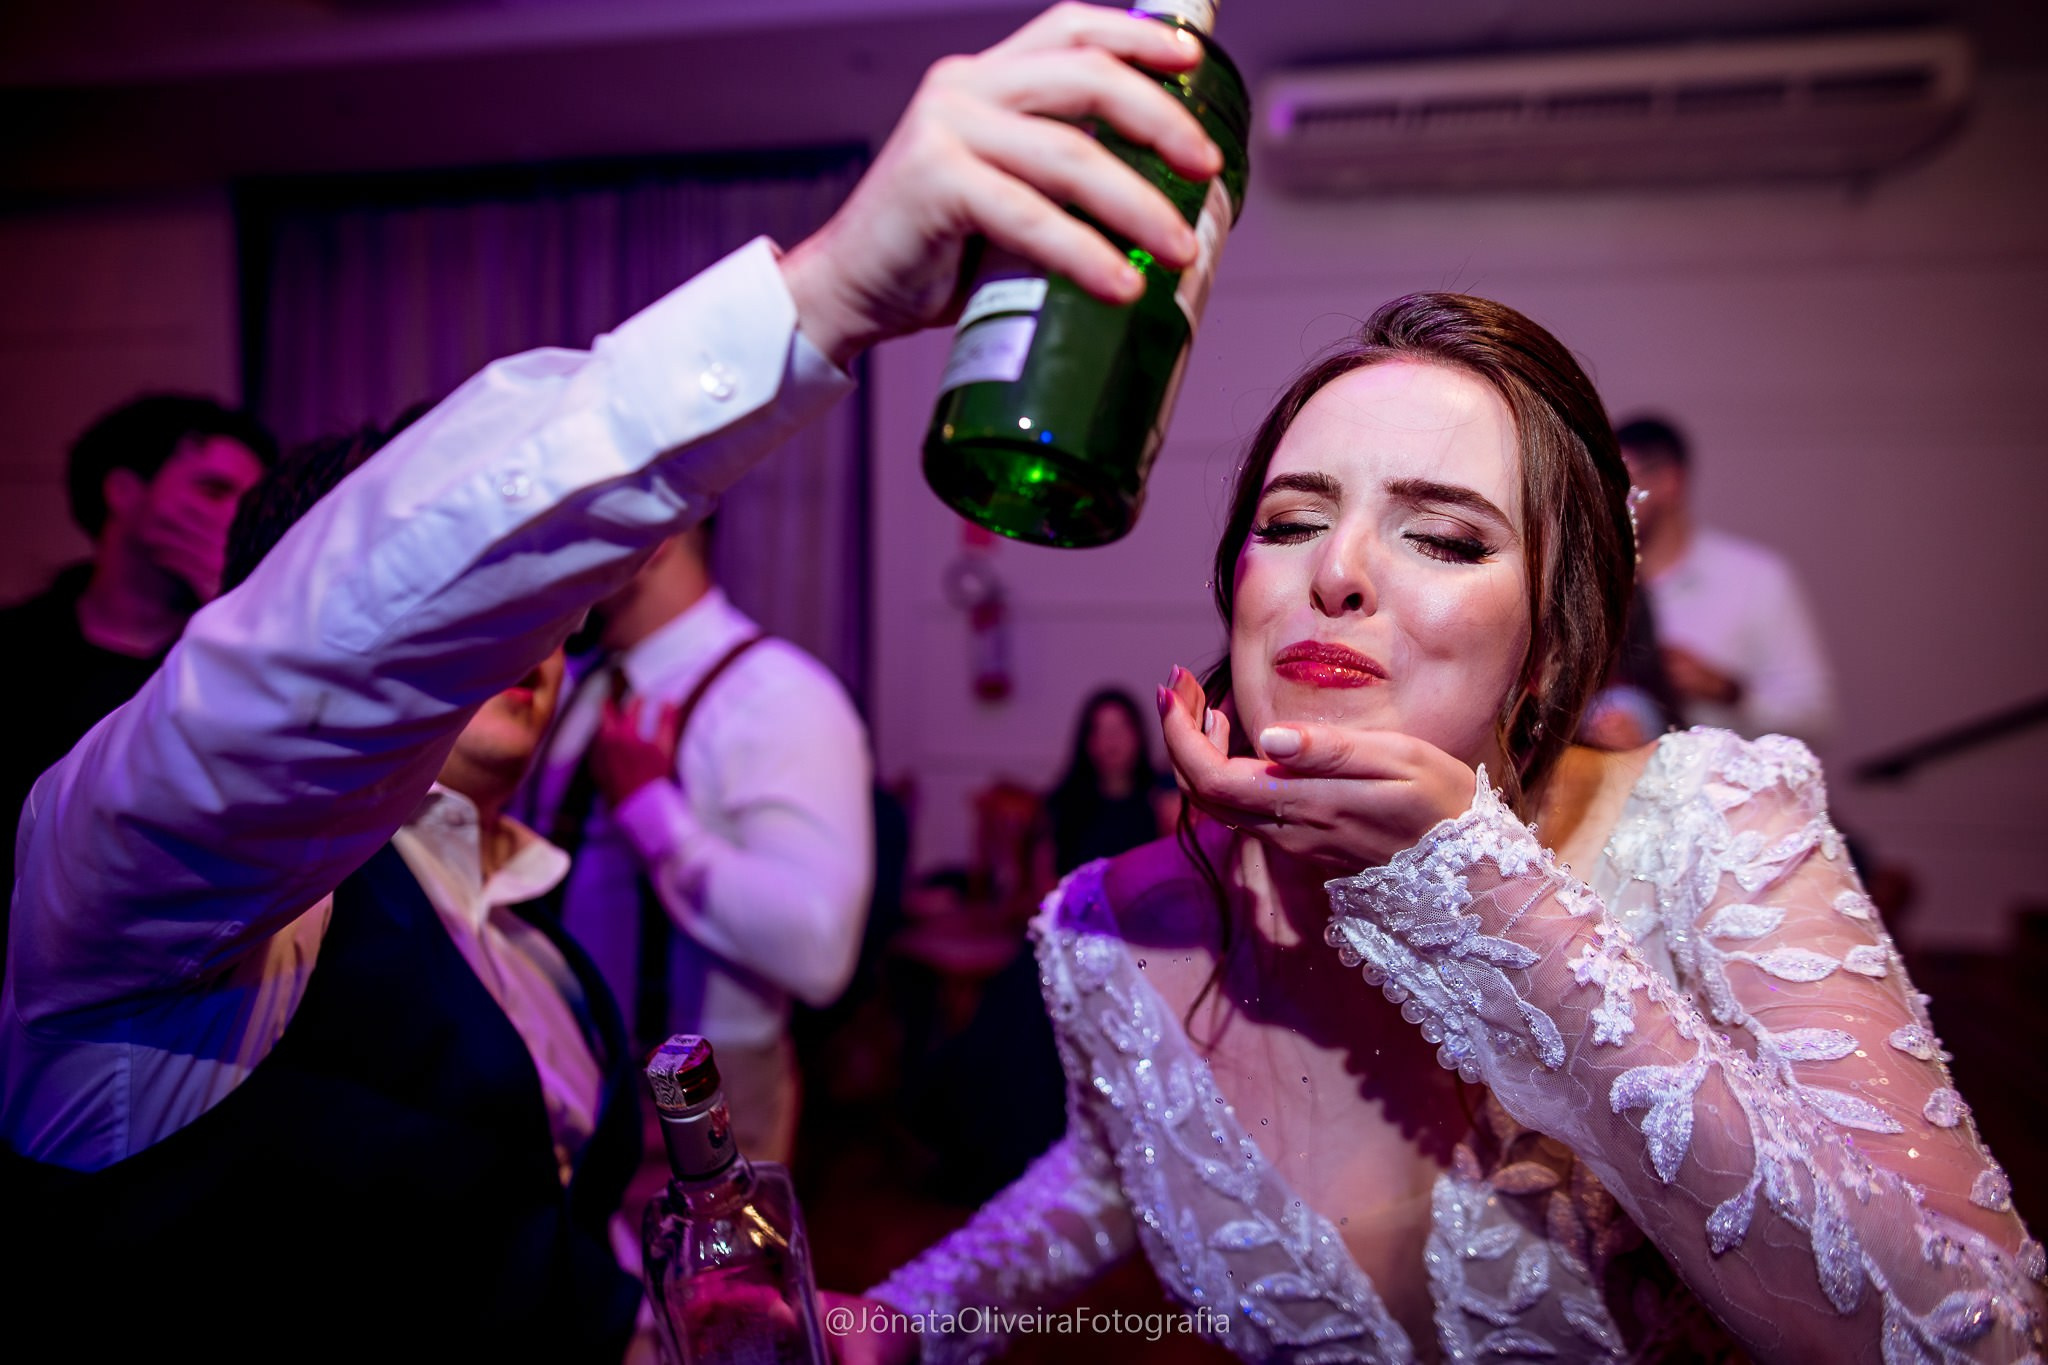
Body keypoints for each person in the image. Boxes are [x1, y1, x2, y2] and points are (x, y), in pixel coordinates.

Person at [0, 6, 1225, 1359]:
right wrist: (821, 298)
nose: (536, 632)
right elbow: (305, 664)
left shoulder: (531, 931)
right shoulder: (181, 927)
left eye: (546, 600)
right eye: (486, 600)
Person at [848, 297, 2043, 1362]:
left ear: (1546, 652)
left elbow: (1977, 1340)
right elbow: (1121, 1171)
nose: (1337, 570)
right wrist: (903, 1320)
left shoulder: (1709, 829)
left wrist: (1478, 890)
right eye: (1290, 520)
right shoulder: (1115, 926)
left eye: (1444, 537)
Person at [531, 518, 873, 1165]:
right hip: (571, 1067)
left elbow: (819, 948)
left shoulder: (776, 695)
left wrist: (651, 814)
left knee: (702, 1236)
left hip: (692, 1076)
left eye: (581, 527)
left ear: (655, 531)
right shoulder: (578, 686)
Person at [0, 393, 275, 970]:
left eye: (249, 501)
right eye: (214, 491)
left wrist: (227, 609)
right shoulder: (19, 647)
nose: (235, 515)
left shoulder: (226, 656)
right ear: (123, 491)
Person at [1618, 415, 1836, 743]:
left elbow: (1816, 717)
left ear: (1668, 481)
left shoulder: (1754, 578)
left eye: (1624, 482)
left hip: (1718, 772)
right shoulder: (1596, 583)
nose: (1611, 498)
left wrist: (1727, 692)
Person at [1041, 685, 1179, 877]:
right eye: (1101, 730)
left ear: (1138, 735)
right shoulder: (1062, 806)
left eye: (1120, 728)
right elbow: (1046, 878)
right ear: (1087, 741)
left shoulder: (1162, 797)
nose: (1112, 740)